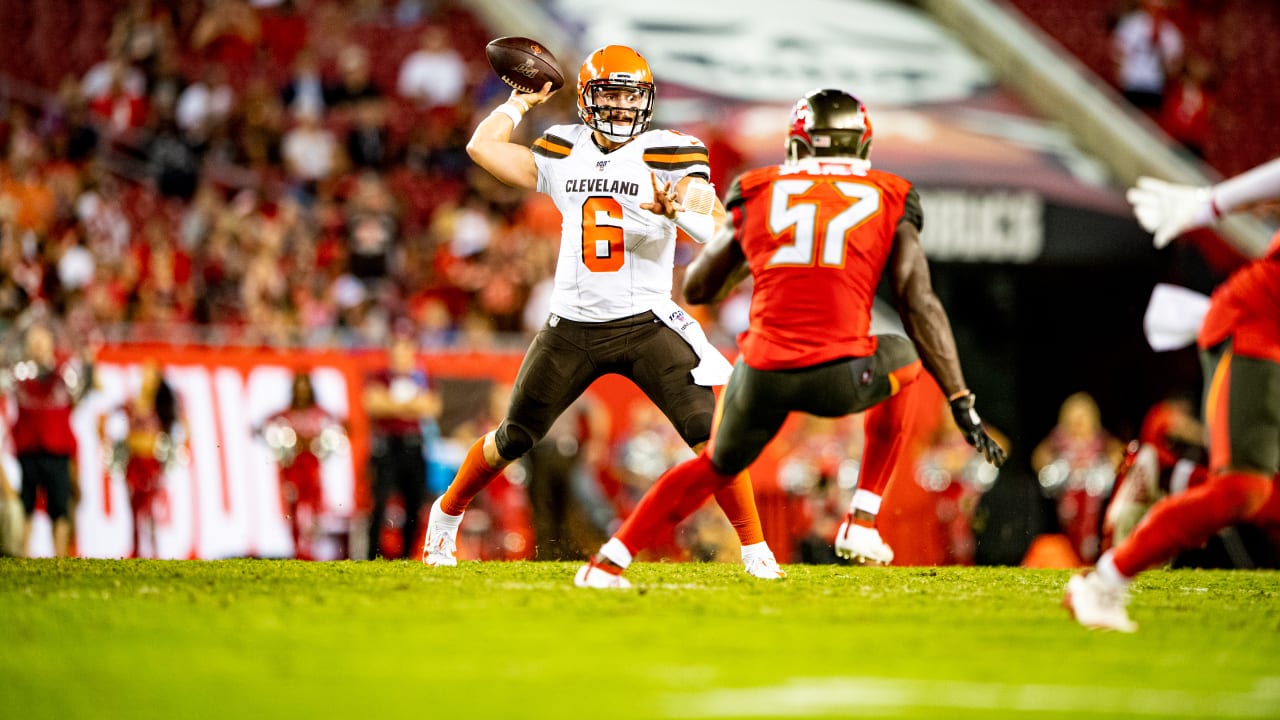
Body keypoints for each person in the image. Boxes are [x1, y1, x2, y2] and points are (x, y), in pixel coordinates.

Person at [573, 88, 1007, 588]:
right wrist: (960, 398)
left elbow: (699, 287)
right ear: (861, 146)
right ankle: (862, 519)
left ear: (797, 144)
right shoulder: (891, 193)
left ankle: (608, 562)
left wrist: (741, 246)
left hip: (762, 375)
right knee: (905, 355)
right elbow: (920, 303)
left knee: (714, 465)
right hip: (842, 376)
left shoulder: (758, 187)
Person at [425, 45, 785, 579]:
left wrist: (679, 211)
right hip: (571, 325)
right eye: (610, 94)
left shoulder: (671, 152)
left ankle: (757, 551)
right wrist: (518, 103)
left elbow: (721, 236)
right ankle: (447, 514)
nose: (620, 106)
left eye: (630, 96)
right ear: (589, 99)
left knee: (713, 438)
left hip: (646, 322)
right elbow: (483, 147)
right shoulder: (561, 147)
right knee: (513, 438)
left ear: (647, 100)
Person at [1065, 157, 1280, 631]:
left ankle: (1172, 474)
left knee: (1263, 497)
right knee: (1243, 487)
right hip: (1257, 327)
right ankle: (1103, 584)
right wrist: (1210, 204)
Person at [7, 323, 92, 558]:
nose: (37, 347)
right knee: (27, 504)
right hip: (29, 449)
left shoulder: (62, 375)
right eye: (34, 343)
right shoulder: (20, 374)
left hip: (56, 449)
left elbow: (82, 389)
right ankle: (24, 554)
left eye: (41, 342)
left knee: (59, 506)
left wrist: (88, 363)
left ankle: (60, 556)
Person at [365, 326, 440, 559]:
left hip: (413, 445)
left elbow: (432, 407)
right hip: (388, 446)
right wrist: (410, 407)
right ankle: (373, 554)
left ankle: (406, 554)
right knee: (380, 502)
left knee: (414, 502)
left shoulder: (422, 377)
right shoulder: (379, 376)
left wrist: (393, 406)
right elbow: (373, 405)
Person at [262, 371, 343, 560]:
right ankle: (297, 548)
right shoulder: (285, 414)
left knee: (314, 504)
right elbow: (265, 426)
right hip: (292, 467)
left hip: (312, 465)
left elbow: (338, 427)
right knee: (294, 505)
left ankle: (312, 548)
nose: (302, 392)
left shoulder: (319, 413)